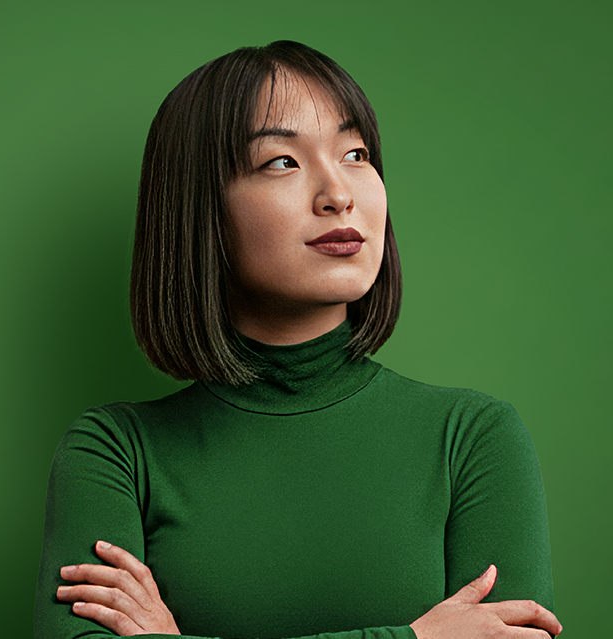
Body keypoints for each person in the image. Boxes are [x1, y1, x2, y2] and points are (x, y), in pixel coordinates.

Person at [34, 41, 561, 639]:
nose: (339, 194)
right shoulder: (116, 453)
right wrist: (417, 637)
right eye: (282, 161)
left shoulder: (472, 438)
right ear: (199, 209)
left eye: (356, 154)